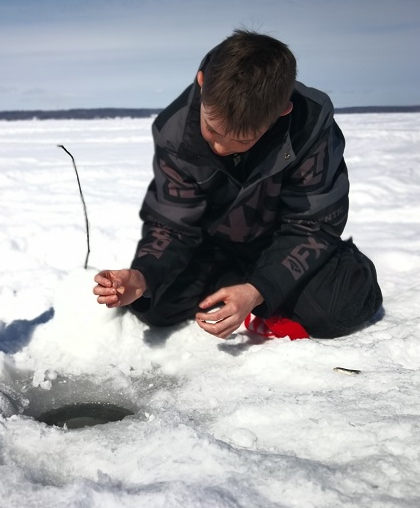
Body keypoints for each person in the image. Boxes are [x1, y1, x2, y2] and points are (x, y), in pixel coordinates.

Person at [93, 29, 382, 339]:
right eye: (213, 130)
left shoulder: (309, 127)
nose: (219, 147)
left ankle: (269, 285)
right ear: (202, 82)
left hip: (283, 243)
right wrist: (143, 275)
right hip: (216, 246)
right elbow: (173, 223)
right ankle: (246, 285)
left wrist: (258, 289)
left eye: (241, 139)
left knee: (338, 306)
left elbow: (312, 224)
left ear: (281, 112)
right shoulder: (176, 130)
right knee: (154, 305)